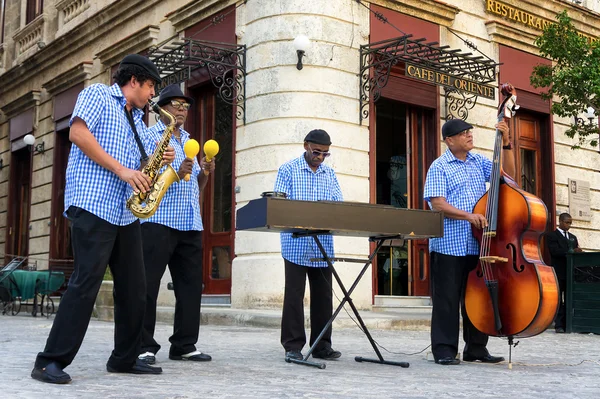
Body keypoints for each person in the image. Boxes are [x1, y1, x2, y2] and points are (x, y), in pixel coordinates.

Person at [31, 54, 174, 383]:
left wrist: (156, 158)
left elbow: (137, 170)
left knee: (135, 288)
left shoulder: (140, 121)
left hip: (124, 213)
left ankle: (124, 358)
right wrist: (123, 171)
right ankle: (48, 361)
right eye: (151, 85)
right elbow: (78, 134)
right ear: (134, 81)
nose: (153, 93)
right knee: (85, 284)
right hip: (93, 203)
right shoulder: (98, 94)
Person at [423, 117, 516, 365]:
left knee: (477, 298)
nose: (469, 135)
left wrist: (506, 144)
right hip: (448, 245)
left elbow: (507, 178)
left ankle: (476, 348)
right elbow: (438, 204)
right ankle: (444, 350)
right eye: (463, 133)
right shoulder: (439, 166)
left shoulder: (479, 162)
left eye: (470, 131)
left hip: (479, 244)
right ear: (449, 140)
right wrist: (469, 216)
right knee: (447, 300)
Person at [137, 84, 215, 365]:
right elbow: (143, 175)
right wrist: (170, 169)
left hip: (190, 222)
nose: (182, 109)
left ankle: (184, 344)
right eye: (175, 104)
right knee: (147, 286)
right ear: (162, 109)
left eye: (186, 105)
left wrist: (204, 173)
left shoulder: (191, 141)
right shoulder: (149, 137)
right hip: (158, 220)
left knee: (191, 287)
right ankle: (143, 345)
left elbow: (196, 186)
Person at [274, 129, 344, 361]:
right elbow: (280, 204)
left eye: (326, 153)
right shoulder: (288, 169)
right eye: (317, 152)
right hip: (296, 243)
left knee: (323, 296)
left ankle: (322, 345)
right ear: (306, 146)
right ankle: (292, 346)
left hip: (322, 243)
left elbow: (337, 205)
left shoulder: (329, 174)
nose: (320, 157)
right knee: (294, 296)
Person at [545, 212, 582, 333]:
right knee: (558, 299)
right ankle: (559, 325)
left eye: (570, 223)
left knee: (569, 298)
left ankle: (568, 324)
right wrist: (571, 251)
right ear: (560, 221)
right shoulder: (552, 236)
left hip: (570, 272)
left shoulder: (573, 237)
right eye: (567, 222)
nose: (569, 225)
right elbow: (555, 252)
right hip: (558, 271)